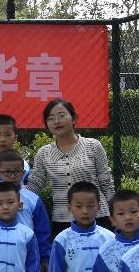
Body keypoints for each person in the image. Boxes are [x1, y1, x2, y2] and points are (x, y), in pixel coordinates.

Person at [25, 98, 114, 235]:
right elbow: (34, 185)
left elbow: (106, 182)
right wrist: (12, 195)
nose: (57, 121)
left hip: (98, 217)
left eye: (62, 115)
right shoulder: (44, 153)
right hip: (62, 220)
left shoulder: (93, 146)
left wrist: (114, 211)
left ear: (73, 118)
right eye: (50, 118)